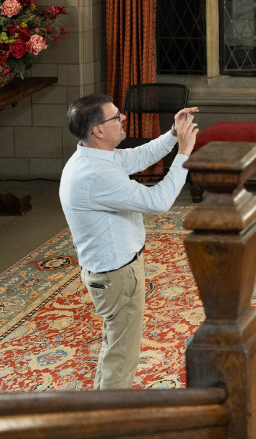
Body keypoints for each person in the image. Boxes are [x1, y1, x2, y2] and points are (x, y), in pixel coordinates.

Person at [59, 94, 199, 389]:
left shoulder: (93, 157)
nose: (123, 118)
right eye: (115, 116)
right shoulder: (96, 174)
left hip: (109, 272)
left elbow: (138, 156)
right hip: (117, 276)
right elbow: (158, 200)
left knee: (115, 350)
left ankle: (101, 414)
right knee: (122, 359)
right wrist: (184, 154)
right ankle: (111, 425)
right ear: (98, 130)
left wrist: (173, 134)